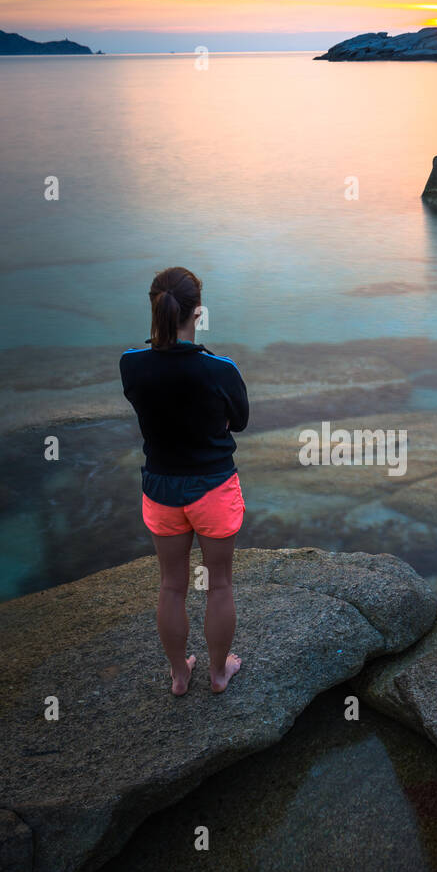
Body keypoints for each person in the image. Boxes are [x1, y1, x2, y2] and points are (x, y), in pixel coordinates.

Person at [120, 267, 248, 696]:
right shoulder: (219, 368)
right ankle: (217, 673)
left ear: (154, 306)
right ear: (198, 312)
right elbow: (241, 421)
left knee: (172, 585)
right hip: (213, 488)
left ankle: (179, 675)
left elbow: (152, 402)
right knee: (220, 584)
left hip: (160, 489)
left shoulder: (131, 364)